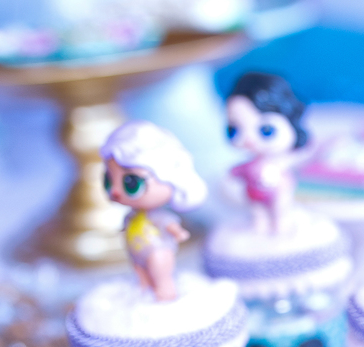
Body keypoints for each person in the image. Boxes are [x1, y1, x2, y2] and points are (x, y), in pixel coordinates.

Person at [101, 121, 207, 301]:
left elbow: (169, 224)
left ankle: (165, 290)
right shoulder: (132, 215)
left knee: (159, 273)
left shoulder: (159, 216)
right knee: (141, 273)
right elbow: (127, 225)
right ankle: (145, 287)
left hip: (157, 251)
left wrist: (177, 232)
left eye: (130, 183)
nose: (115, 191)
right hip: (137, 252)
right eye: (108, 180)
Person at [225, 72, 310, 234]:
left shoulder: (283, 161)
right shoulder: (250, 164)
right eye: (234, 129)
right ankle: (260, 228)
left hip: (279, 191)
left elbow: (299, 159)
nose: (249, 139)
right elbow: (236, 172)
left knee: (280, 210)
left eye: (266, 130)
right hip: (253, 195)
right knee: (258, 215)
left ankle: (281, 226)